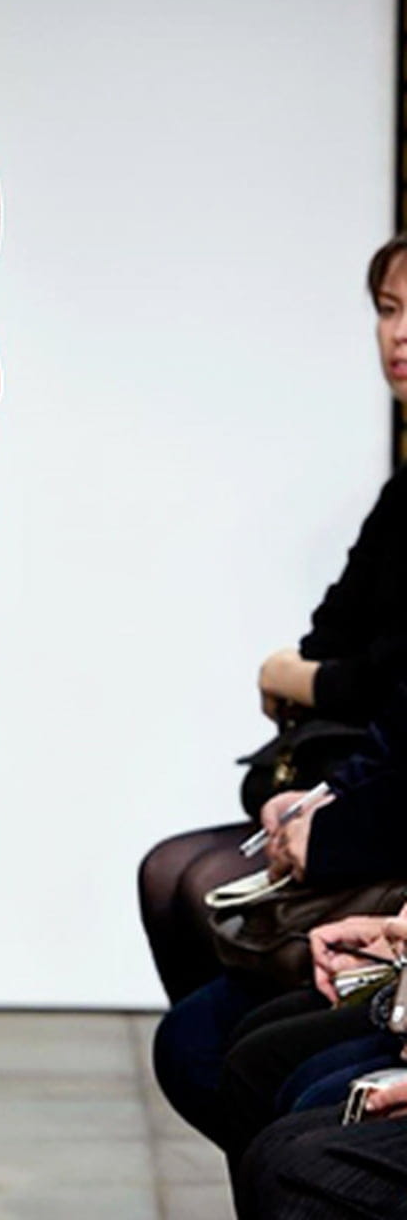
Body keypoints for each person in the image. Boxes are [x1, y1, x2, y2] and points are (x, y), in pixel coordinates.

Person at [140, 232, 407, 1011]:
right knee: (171, 876)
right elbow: (335, 635)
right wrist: (318, 675)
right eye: (388, 309)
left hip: (387, 798)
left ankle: (304, 1060)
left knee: (195, 886)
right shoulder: (402, 495)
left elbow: (379, 676)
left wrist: (289, 676)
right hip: (367, 774)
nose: (398, 334)